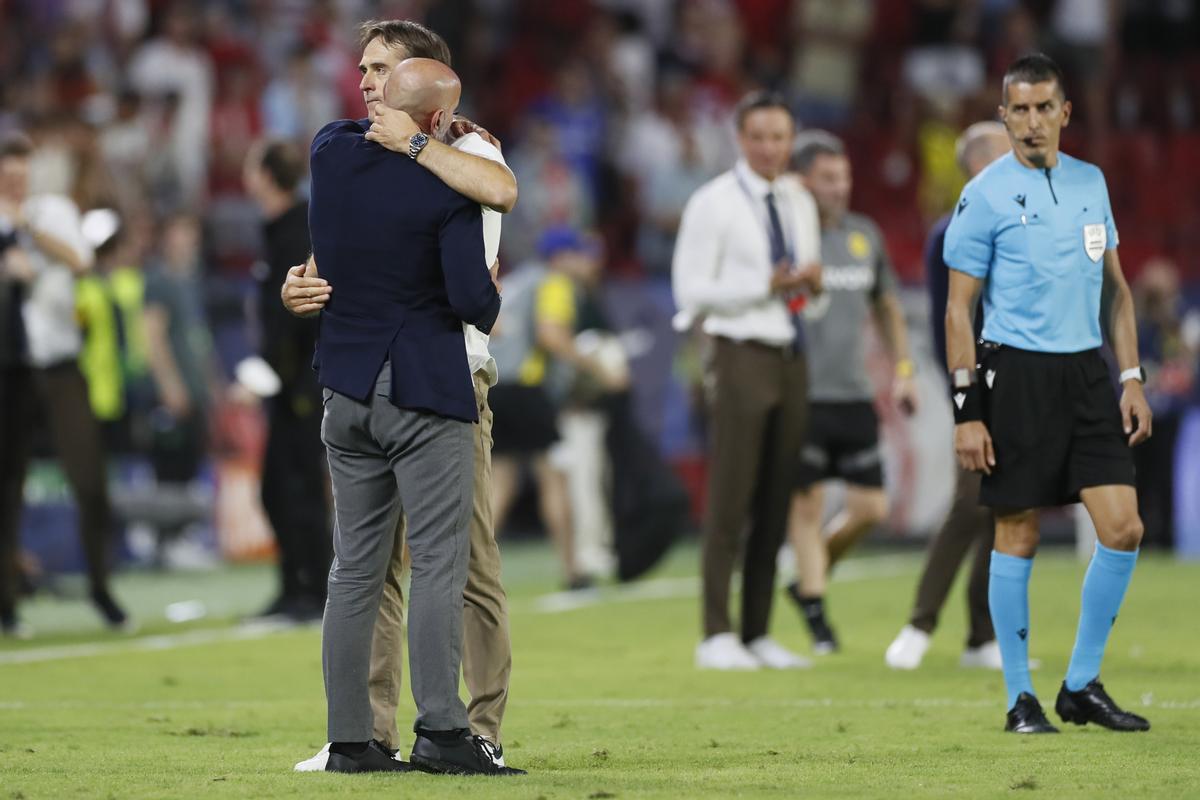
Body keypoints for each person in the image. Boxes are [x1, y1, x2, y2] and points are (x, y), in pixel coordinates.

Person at [285, 19, 523, 775]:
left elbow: (498, 185)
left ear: (426, 86)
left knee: (363, 567)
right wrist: (306, 275)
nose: (367, 82)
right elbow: (464, 287)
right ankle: (441, 733)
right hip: (427, 378)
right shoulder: (408, 164)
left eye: (383, 70)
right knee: (437, 566)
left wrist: (422, 143)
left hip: (348, 380)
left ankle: (363, 736)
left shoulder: (366, 149)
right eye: (362, 68)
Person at [945, 54, 1152, 734]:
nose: (1032, 122)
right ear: (1003, 116)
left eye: (1044, 108)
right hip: (1017, 374)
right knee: (1019, 532)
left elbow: (1117, 291)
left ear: (1065, 113)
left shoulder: (1092, 183)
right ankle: (1018, 697)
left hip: (1087, 373)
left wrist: (1129, 376)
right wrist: (967, 411)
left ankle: (1081, 684)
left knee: (1122, 529)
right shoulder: (984, 194)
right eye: (1019, 110)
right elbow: (957, 310)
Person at [672, 91, 821, 671]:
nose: (769, 148)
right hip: (738, 350)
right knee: (731, 496)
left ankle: (757, 632)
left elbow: (800, 280)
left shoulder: (797, 200)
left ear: (791, 140)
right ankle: (716, 633)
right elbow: (690, 292)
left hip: (790, 349)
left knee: (778, 496)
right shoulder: (712, 203)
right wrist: (764, 284)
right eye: (759, 137)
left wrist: (808, 283)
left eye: (779, 138)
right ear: (740, 138)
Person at [782, 132, 918, 654]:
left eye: (845, 178)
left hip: (855, 393)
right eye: (828, 179)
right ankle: (818, 618)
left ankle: (805, 582)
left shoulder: (866, 235)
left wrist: (904, 368)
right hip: (805, 394)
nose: (840, 188)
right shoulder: (787, 238)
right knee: (807, 506)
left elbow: (887, 306)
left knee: (871, 508)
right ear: (802, 181)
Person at [885, 121, 1011, 671]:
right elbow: (948, 325)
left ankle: (981, 635)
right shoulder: (952, 230)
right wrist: (968, 402)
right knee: (971, 503)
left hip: (1025, 382)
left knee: (1007, 507)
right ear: (982, 164)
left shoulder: (1024, 224)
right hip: (979, 385)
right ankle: (920, 623)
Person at [0, 131, 129, 637]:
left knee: (90, 482)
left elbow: (81, 260)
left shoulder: (49, 210)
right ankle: (6, 603)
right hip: (10, 367)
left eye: (19, 166)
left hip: (57, 363)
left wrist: (24, 230)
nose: (14, 175)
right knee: (7, 486)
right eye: (7, 168)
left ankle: (101, 587)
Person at [243, 140, 331, 622]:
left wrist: (276, 371)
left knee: (296, 486)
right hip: (286, 381)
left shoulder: (295, 228)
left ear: (264, 174)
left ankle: (311, 591)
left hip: (300, 381)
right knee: (279, 487)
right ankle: (294, 586)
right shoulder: (281, 228)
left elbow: (299, 308)